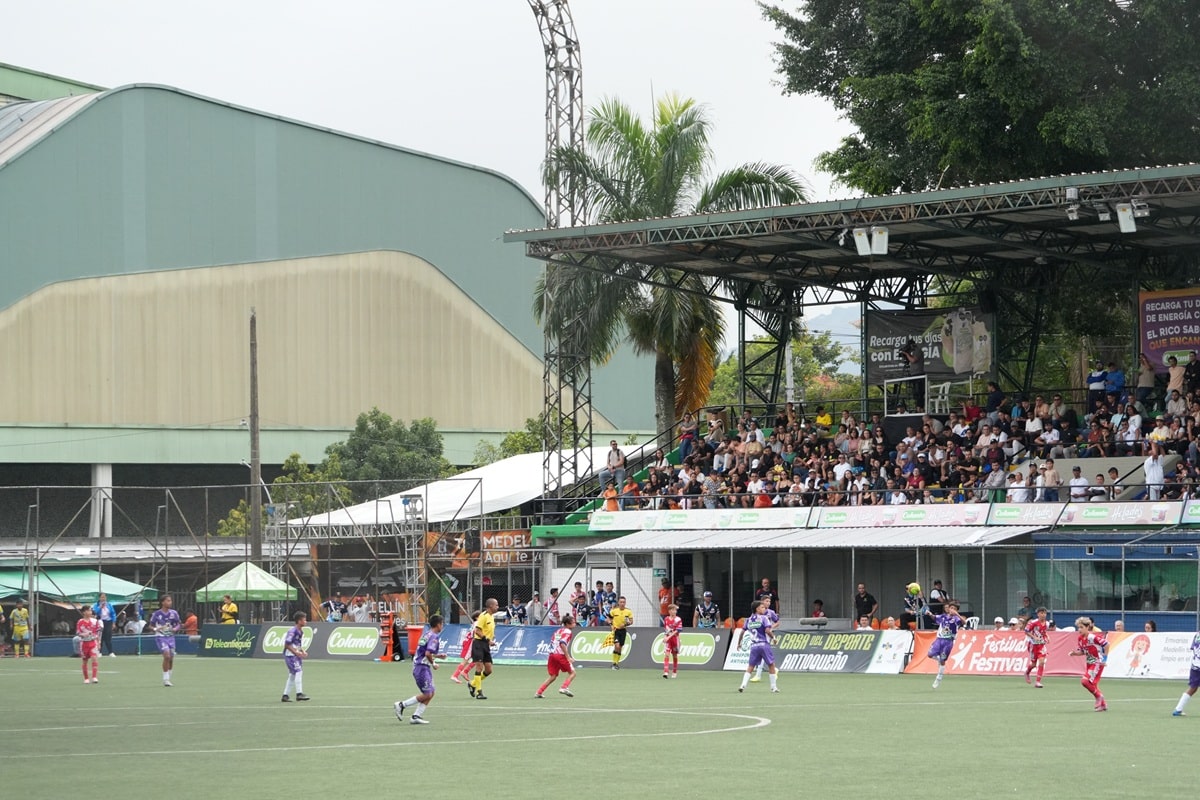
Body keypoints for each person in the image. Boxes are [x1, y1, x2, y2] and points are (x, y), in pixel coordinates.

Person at [395, 614, 446, 724]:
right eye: (442, 624)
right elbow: (427, 653)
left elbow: (424, 652)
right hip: (421, 667)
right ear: (438, 624)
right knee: (427, 694)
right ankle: (402, 705)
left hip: (421, 666)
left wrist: (438, 656)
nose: (442, 626)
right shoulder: (434, 637)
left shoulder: (426, 634)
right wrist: (434, 663)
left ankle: (416, 716)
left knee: (431, 692)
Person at [738, 601, 780, 693]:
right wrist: (774, 638)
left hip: (754, 646)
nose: (764, 609)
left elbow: (742, 632)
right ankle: (773, 687)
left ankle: (743, 685)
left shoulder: (748, 620)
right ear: (757, 609)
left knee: (751, 666)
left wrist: (739, 643)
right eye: (762, 607)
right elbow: (767, 631)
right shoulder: (764, 618)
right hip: (763, 644)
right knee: (771, 665)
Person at [1068, 616, 1108, 711]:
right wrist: (1074, 653)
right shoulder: (1080, 638)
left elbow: (1106, 644)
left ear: (1087, 627)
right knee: (1093, 684)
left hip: (1097, 662)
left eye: (1081, 627)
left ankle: (1099, 696)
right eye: (1078, 627)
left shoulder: (1092, 637)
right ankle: (1103, 705)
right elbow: (1083, 651)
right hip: (1089, 663)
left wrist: (1104, 659)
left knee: (1085, 681)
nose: (1079, 629)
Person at [535, 613, 577, 699]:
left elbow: (555, 642)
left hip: (552, 655)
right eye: (573, 622)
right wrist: (568, 657)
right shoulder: (568, 632)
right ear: (567, 624)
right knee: (573, 673)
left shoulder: (558, 631)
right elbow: (562, 644)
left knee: (553, 676)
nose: (575, 624)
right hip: (560, 655)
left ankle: (539, 692)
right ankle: (564, 687)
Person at [926, 601, 967, 689]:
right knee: (930, 654)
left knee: (943, 660)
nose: (952, 610)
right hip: (939, 639)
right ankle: (939, 659)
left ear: (957, 610)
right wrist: (930, 614)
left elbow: (964, 622)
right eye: (951, 608)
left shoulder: (956, 619)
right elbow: (935, 618)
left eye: (954, 609)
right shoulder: (943, 617)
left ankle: (939, 678)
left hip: (948, 642)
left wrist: (957, 614)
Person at [468, 598, 498, 700]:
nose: (497, 607)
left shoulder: (491, 617)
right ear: (490, 606)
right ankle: (479, 692)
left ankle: (472, 684)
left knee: (488, 670)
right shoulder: (483, 616)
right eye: (496, 605)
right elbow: (477, 631)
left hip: (485, 645)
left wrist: (491, 639)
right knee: (479, 668)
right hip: (479, 644)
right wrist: (487, 640)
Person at [149, 595, 181, 687]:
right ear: (163, 602)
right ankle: (165, 679)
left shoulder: (174, 613)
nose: (170, 602)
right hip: (161, 637)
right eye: (168, 600)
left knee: (171, 658)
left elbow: (179, 624)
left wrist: (175, 629)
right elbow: (150, 626)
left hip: (171, 637)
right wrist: (156, 629)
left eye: (170, 600)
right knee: (166, 656)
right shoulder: (156, 614)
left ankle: (169, 677)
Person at [280, 611, 311, 702]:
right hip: (290, 655)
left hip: (295, 655)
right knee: (298, 672)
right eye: (304, 620)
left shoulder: (300, 631)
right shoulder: (292, 631)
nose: (306, 621)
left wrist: (302, 651)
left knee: (293, 675)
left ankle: (285, 695)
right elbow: (287, 644)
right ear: (299, 621)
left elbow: (297, 644)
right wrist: (296, 653)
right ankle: (299, 694)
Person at [1172, 631, 1200, 716]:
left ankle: (1178, 709)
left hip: (1195, 665)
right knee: (1193, 688)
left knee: (1193, 688)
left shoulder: (1197, 634)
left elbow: (1193, 648)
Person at [450, 609, 481, 684]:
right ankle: (455, 675)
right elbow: (474, 633)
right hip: (471, 642)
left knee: (478, 659)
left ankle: (465, 672)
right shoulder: (477, 623)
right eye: (480, 616)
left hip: (473, 642)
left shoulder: (476, 623)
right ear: (476, 617)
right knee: (466, 660)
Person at [1024, 606, 1050, 688]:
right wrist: (1034, 637)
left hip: (1041, 645)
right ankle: (1027, 672)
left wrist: (1047, 637)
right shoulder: (1033, 622)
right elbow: (1026, 631)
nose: (1043, 615)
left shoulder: (1047, 623)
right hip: (1033, 645)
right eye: (1041, 613)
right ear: (1038, 614)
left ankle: (1038, 682)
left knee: (1042, 662)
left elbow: (1044, 632)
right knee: (1033, 664)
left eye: (1045, 613)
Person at [77, 604, 102, 684]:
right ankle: (86, 678)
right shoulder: (80, 622)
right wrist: (85, 634)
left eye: (90, 610)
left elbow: (98, 632)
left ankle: (94, 677)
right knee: (85, 660)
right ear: (84, 612)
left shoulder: (95, 621)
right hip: (84, 643)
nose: (90, 612)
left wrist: (98, 642)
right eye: (88, 610)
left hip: (93, 642)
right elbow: (78, 633)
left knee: (94, 658)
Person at [609, 595, 633, 669]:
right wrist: (611, 625)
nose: (622, 603)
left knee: (620, 647)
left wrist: (625, 624)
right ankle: (614, 662)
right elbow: (608, 618)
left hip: (623, 631)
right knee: (617, 645)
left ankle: (616, 663)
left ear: (625, 603)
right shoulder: (614, 611)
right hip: (616, 631)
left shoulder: (628, 611)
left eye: (623, 602)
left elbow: (631, 621)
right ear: (618, 603)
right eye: (621, 602)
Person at [661, 603, 683, 678]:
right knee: (667, 654)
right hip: (668, 640)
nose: (675, 611)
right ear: (669, 611)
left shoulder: (678, 619)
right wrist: (665, 637)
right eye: (673, 610)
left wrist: (669, 637)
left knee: (674, 655)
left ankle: (674, 671)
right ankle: (666, 672)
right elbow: (666, 630)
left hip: (675, 639)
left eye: (675, 610)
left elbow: (677, 630)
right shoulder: (666, 619)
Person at [92, 592, 116, 658]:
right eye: (102, 597)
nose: (103, 598)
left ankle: (110, 652)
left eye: (104, 597)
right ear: (99, 598)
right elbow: (95, 612)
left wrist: (113, 622)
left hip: (108, 622)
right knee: (100, 637)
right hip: (100, 622)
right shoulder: (96, 605)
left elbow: (113, 614)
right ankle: (99, 652)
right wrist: (100, 607)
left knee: (108, 637)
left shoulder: (109, 605)